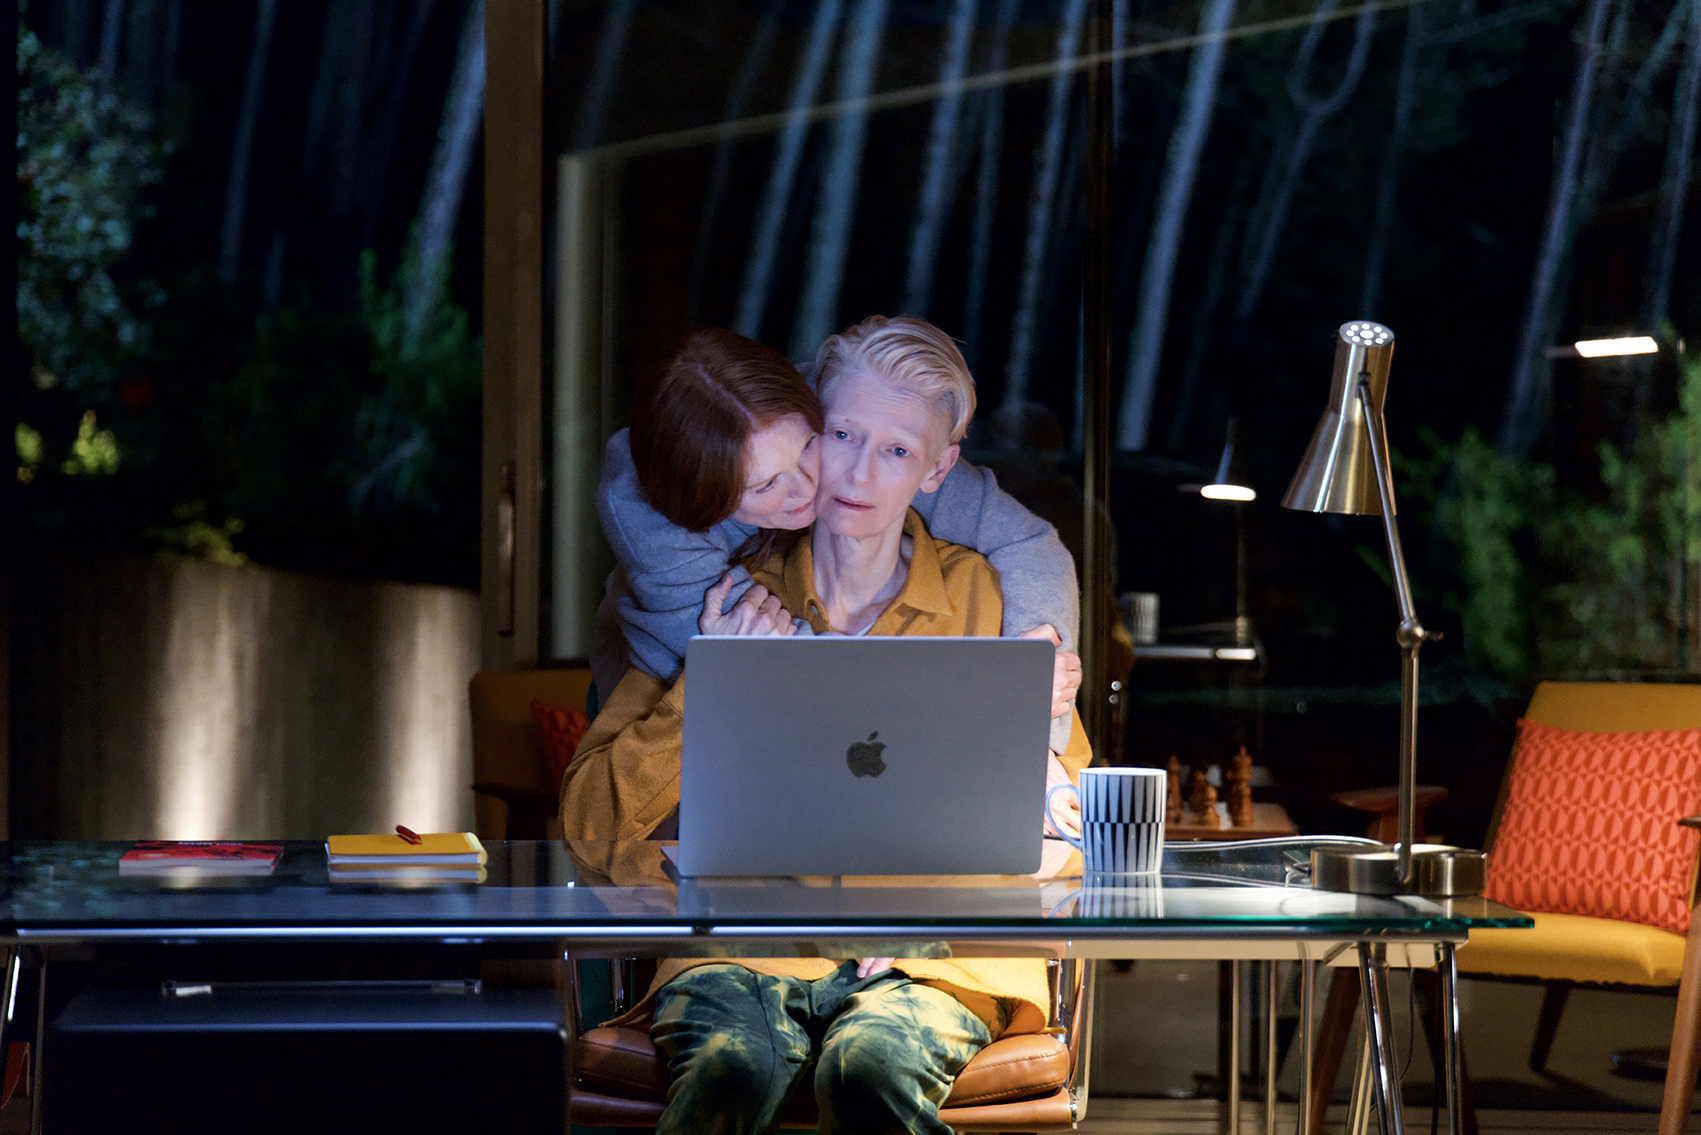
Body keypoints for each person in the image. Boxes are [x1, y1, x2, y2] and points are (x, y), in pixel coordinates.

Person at [562, 316, 1091, 1134]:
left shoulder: (995, 609)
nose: (857, 472)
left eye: (897, 450)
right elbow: (590, 828)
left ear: (936, 469)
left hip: (937, 960)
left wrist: (938, 922)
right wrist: (711, 675)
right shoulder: (727, 598)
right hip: (739, 948)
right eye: (841, 434)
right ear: (811, 427)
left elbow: (1077, 836)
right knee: (727, 1067)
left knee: (868, 1064)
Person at [591, 329, 1082, 756]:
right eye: (766, 485)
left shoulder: (836, 404)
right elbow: (795, 677)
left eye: (810, 445)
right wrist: (990, 704)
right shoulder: (664, 539)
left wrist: (1034, 722)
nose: (811, 487)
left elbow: (1032, 544)